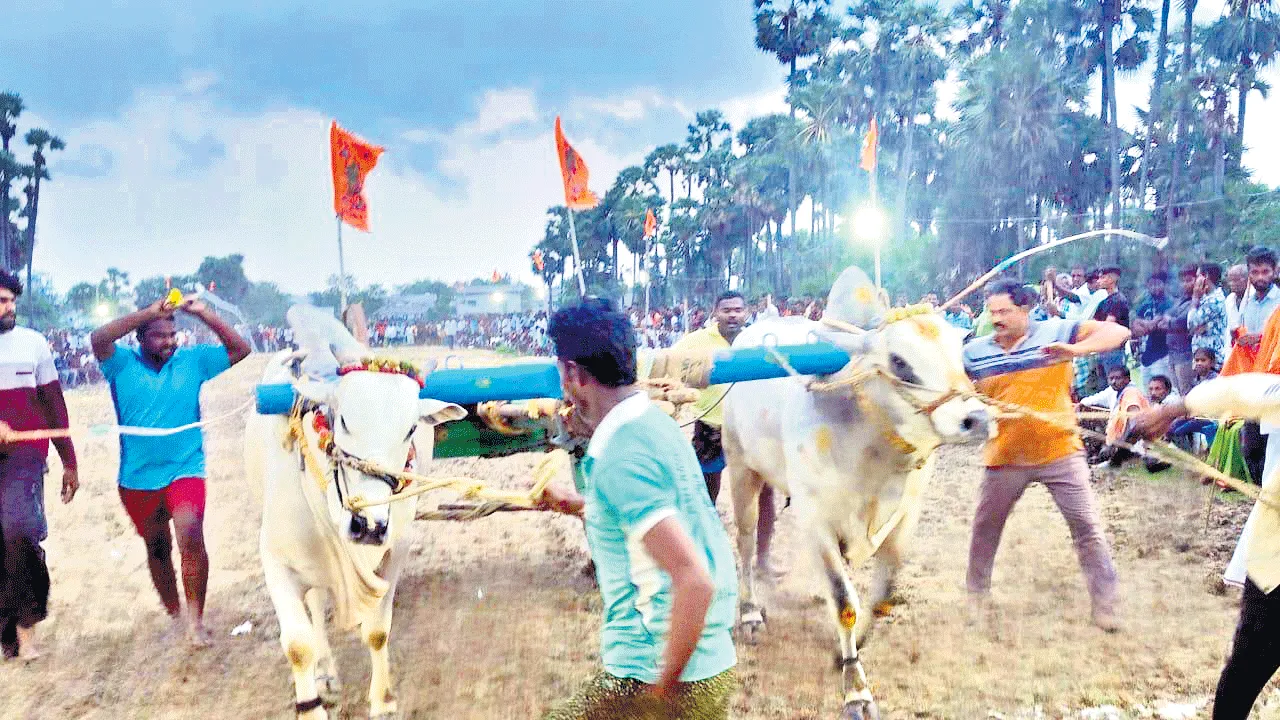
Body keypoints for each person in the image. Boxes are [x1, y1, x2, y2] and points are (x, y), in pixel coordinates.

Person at [536, 299, 737, 719]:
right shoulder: (655, 424)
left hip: (651, 672)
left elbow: (694, 581)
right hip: (710, 662)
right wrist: (578, 505)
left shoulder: (619, 456)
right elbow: (652, 513)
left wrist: (659, 694)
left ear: (573, 374)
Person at [962, 280, 1130, 632]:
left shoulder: (1058, 331)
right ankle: (976, 600)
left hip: (1059, 450)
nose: (997, 319)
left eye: (1005, 311)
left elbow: (1118, 332)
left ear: (1026, 309)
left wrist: (1075, 350)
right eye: (992, 312)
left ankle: (1107, 606)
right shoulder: (973, 352)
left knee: (1086, 527)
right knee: (985, 529)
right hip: (1004, 455)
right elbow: (950, 384)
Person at [90, 294, 251, 646]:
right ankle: (175, 612)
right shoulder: (120, 364)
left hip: (186, 468)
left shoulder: (193, 361)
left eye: (172, 334)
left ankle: (195, 621)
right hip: (137, 478)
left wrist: (205, 314)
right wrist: (149, 312)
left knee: (191, 536)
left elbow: (241, 349)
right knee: (158, 548)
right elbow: (99, 338)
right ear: (140, 338)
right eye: (159, 335)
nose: (169, 341)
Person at [671, 292, 779, 577]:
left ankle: (763, 561)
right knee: (707, 493)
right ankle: (706, 559)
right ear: (715, 312)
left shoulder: (758, 339)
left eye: (738, 310)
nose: (732, 315)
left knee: (766, 494)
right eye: (726, 310)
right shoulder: (695, 341)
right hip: (712, 425)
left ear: (747, 313)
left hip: (754, 429)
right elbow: (670, 365)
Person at [0, 270, 78, 660]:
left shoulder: (33, 344)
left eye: (11, 300)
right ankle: (7, 634)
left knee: (18, 531)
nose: (9, 307)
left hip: (25, 456)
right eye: (2, 301)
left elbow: (54, 405)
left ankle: (27, 629)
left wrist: (69, 461)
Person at [1132, 271, 1174, 386]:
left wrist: (1145, 324)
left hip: (1163, 354)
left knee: (1161, 387)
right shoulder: (1145, 303)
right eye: (1151, 284)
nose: (1154, 287)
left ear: (1164, 284)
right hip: (1146, 355)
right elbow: (1135, 327)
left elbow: (1156, 325)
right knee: (1147, 390)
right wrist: (1148, 324)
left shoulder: (1169, 303)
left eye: (1157, 284)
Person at [1189, 263, 1229, 370]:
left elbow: (1191, 323)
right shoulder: (1205, 298)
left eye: (1198, 276)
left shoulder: (1214, 300)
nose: (1195, 280)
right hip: (1201, 356)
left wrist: (1195, 298)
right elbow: (1192, 329)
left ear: (1205, 276)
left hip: (1212, 358)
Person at [1165, 266, 1199, 396]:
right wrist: (1170, 320)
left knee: (1187, 392)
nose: (1185, 284)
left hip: (1186, 353)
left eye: (1189, 280)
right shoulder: (1181, 300)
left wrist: (1170, 321)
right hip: (1173, 353)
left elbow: (1182, 321)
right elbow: (1167, 314)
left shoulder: (1198, 300)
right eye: (1183, 281)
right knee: (1177, 392)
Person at [1225, 263, 1249, 336]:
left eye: (1235, 280)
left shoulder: (1255, 298)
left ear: (1247, 280)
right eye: (1230, 280)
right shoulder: (1229, 299)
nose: (1231, 284)